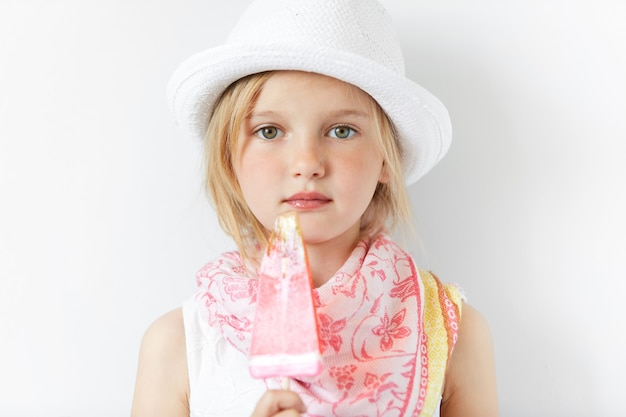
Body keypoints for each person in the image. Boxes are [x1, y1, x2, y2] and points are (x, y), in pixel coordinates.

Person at [130, 0, 498, 416]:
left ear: (385, 159)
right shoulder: (177, 345)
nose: (307, 163)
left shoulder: (452, 334)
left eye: (342, 130)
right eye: (269, 130)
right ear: (229, 159)